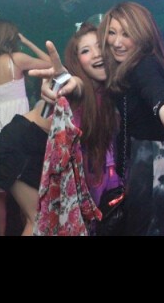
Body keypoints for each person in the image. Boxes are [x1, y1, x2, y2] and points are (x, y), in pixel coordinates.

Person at [32, 2, 164, 236]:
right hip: (143, 167)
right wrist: (67, 82)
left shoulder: (143, 63)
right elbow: (82, 87)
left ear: (142, 35)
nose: (117, 42)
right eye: (112, 34)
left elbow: (154, 91)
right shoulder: (118, 77)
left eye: (126, 33)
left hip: (158, 168)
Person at [0, 19, 51, 236]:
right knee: (26, 189)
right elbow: (51, 63)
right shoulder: (16, 59)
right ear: (10, 37)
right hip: (17, 127)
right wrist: (27, 42)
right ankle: (28, 227)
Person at [63, 23, 119, 206]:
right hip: (87, 186)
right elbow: (76, 86)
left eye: (100, 46)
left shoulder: (115, 90)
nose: (96, 54)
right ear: (77, 61)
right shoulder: (78, 97)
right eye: (86, 50)